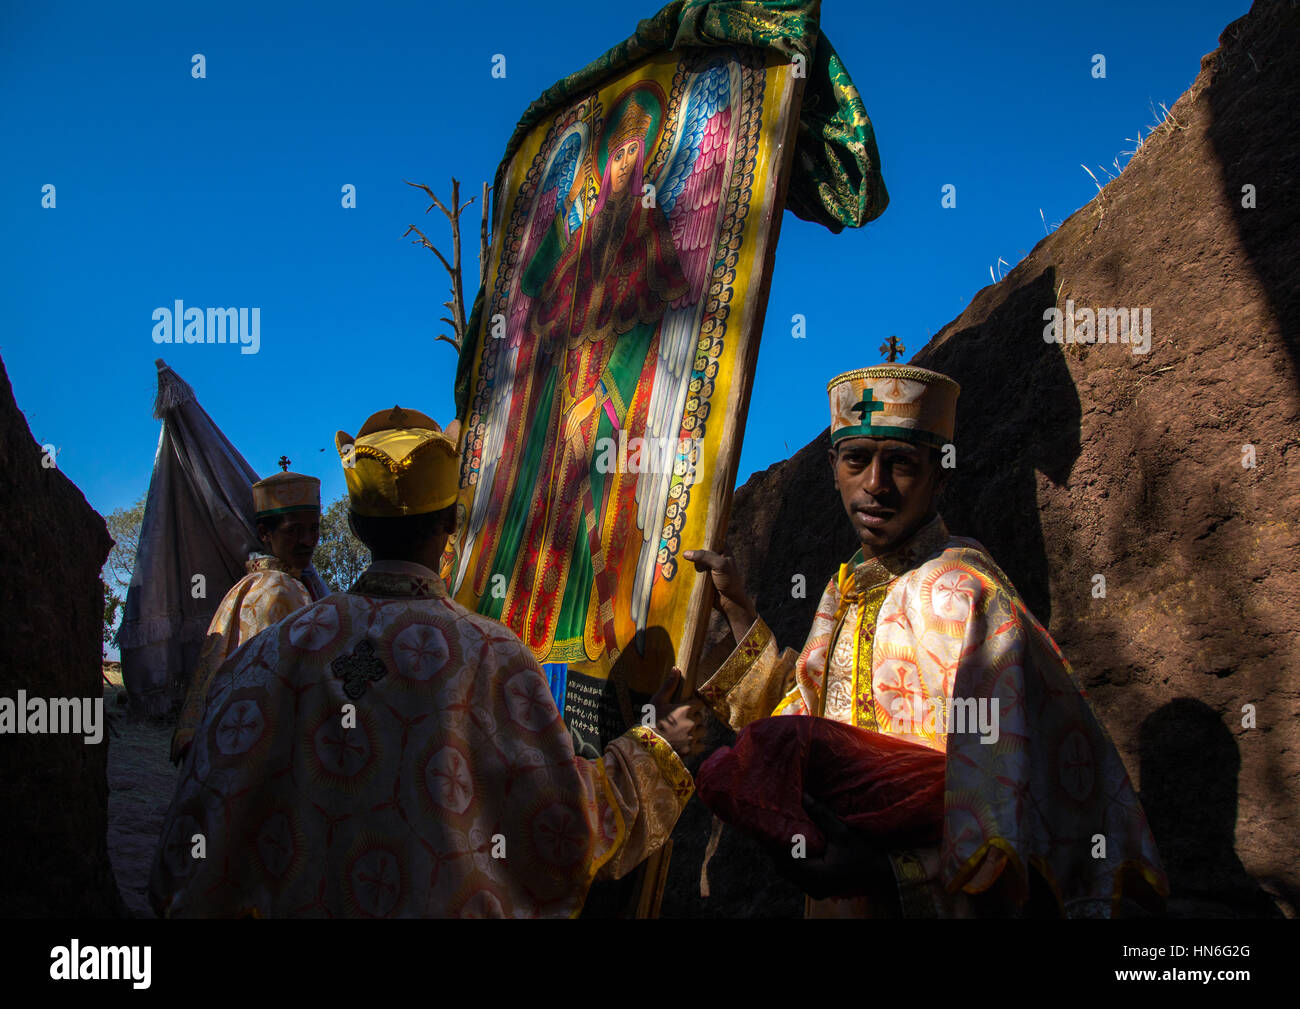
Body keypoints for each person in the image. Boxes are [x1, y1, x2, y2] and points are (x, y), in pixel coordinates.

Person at [149, 406, 705, 918]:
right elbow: (565, 827)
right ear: (451, 525)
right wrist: (653, 752)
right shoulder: (493, 656)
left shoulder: (270, 652)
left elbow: (189, 847)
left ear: (355, 528)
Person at [686, 364, 1167, 917]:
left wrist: (883, 869)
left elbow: (1003, 797)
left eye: (902, 464)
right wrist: (738, 612)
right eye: (856, 460)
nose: (875, 485)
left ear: (941, 477)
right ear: (833, 469)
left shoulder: (963, 592)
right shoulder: (843, 592)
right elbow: (805, 721)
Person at [170, 471, 324, 763]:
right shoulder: (280, 589)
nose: (307, 541)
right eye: (293, 531)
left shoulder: (247, 586)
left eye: (314, 529)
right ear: (265, 534)